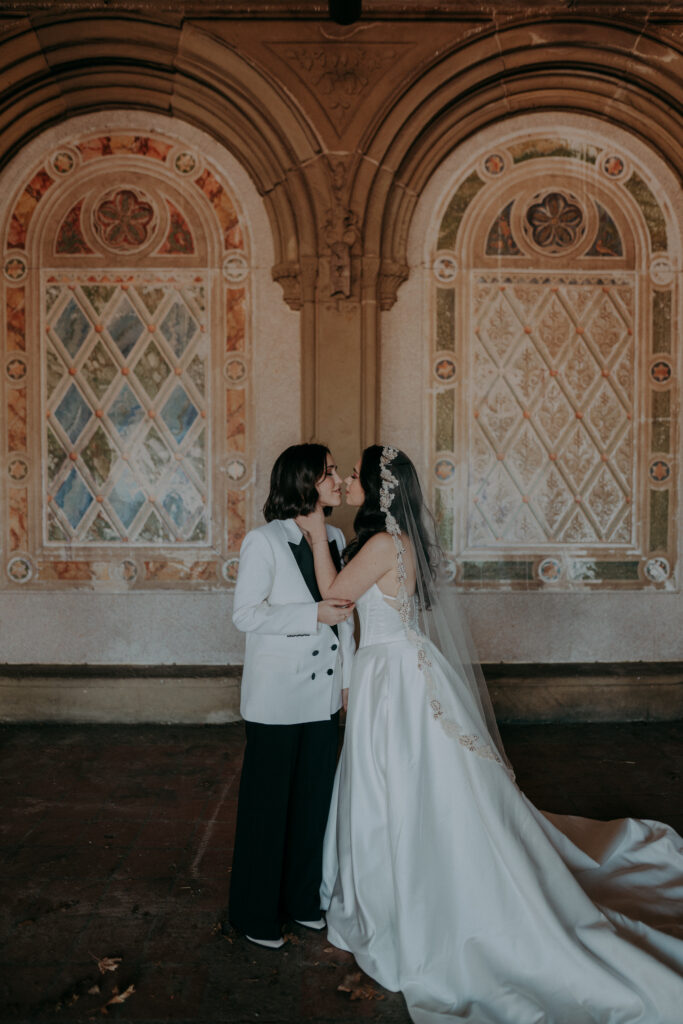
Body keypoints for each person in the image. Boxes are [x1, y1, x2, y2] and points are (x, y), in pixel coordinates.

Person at [298, 443, 683, 1023]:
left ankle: (404, 895)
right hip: (405, 668)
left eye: (355, 474)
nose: (347, 480)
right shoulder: (400, 542)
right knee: (419, 782)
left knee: (395, 784)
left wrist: (311, 532)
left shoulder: (381, 544)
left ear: (379, 490)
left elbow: (336, 600)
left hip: (392, 676)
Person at [226, 443, 355, 949]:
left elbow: (346, 615)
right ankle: (255, 914)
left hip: (322, 696)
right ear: (304, 482)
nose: (338, 479)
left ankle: (303, 902)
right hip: (277, 699)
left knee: (312, 804)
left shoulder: (338, 536)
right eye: (329, 472)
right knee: (268, 808)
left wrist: (344, 679)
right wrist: (311, 616)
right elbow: (246, 614)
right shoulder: (264, 542)